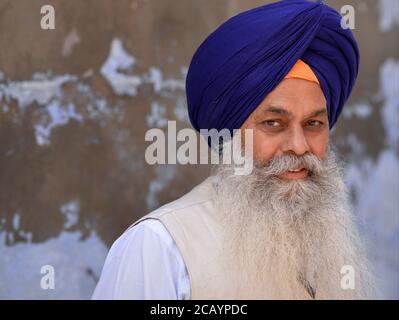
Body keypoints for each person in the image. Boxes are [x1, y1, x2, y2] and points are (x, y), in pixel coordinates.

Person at [92, 0, 376, 299]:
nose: (299, 145)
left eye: (314, 123)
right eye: (273, 123)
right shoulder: (161, 245)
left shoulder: (328, 240)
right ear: (228, 135)